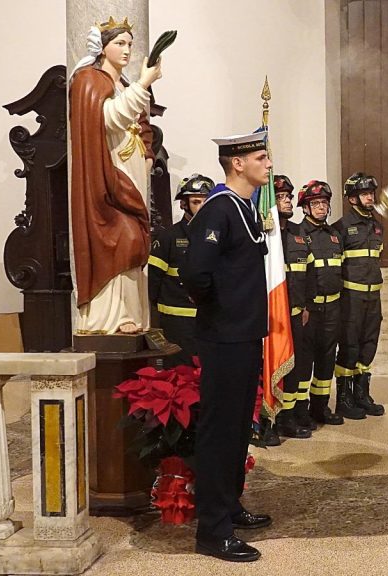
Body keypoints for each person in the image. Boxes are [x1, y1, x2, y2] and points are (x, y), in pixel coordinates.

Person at [182, 131, 273, 563]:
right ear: (238, 163)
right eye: (261, 157)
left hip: (244, 334)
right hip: (224, 336)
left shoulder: (244, 207)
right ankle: (212, 530)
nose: (268, 164)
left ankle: (230, 505)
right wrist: (221, 313)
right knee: (220, 431)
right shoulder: (219, 208)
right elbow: (194, 273)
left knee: (238, 427)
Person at [69, 16, 162, 334]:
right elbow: (109, 119)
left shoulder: (122, 84)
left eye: (130, 44)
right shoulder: (88, 80)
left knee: (136, 243)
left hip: (131, 175)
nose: (127, 50)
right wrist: (143, 83)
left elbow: (142, 124)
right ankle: (109, 318)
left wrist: (147, 156)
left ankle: (133, 315)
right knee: (123, 238)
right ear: (102, 47)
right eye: (119, 43)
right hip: (106, 178)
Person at [297, 180, 356, 424]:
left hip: (333, 308)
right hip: (309, 310)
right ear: (305, 208)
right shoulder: (297, 235)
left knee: (326, 359)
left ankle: (320, 408)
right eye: (315, 204)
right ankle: (300, 411)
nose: (321, 207)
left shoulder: (334, 235)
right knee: (304, 361)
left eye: (324, 203)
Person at [332, 172, 386, 418]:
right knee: (349, 347)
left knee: (368, 345)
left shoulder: (377, 226)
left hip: (373, 298)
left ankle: (362, 395)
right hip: (350, 299)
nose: (370, 198)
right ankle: (344, 399)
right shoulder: (341, 228)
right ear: (352, 199)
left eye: (371, 193)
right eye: (364, 194)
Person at [148, 174, 213, 367]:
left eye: (206, 201)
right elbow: (153, 280)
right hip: (176, 322)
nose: (202, 207)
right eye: (196, 202)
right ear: (184, 204)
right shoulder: (169, 237)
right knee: (179, 373)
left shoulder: (216, 236)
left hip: (210, 319)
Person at [271, 175, 313, 440]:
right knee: (274, 366)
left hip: (297, 313)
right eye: (280, 197)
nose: (287, 201)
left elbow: (309, 272)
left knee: (295, 367)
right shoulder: (264, 233)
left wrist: (306, 304)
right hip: (272, 316)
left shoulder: (299, 233)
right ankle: (269, 420)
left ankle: (288, 417)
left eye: (288, 196)